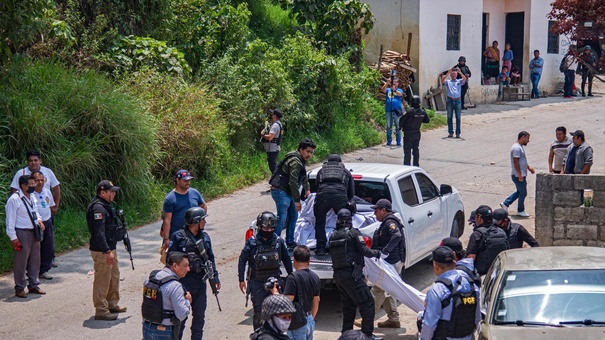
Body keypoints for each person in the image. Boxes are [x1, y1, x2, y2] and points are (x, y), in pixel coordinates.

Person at [330, 209, 383, 339]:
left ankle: (346, 334)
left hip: (338, 276)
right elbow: (364, 250)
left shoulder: (333, 235)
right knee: (368, 303)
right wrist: (378, 253)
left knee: (348, 306)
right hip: (352, 275)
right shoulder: (354, 233)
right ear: (349, 219)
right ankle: (367, 335)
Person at [167, 207, 219, 339]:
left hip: (200, 282)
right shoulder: (178, 237)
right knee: (180, 318)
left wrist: (215, 277)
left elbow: (210, 258)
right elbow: (170, 260)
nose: (205, 222)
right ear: (196, 222)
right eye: (203, 220)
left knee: (199, 317)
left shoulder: (205, 238)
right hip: (183, 283)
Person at [238, 211, 293, 330]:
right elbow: (242, 260)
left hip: (275, 282)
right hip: (257, 283)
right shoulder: (252, 242)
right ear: (259, 226)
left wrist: (292, 277)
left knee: (277, 312)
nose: (268, 231)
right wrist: (241, 280)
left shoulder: (278, 241)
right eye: (266, 228)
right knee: (259, 314)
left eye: (271, 228)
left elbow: (287, 259)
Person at [419, 246, 480, 340]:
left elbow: (429, 325)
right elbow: (476, 318)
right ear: (455, 263)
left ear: (436, 266)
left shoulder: (437, 290)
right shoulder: (472, 286)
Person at [86, 180, 126, 320]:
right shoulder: (98, 209)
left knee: (113, 276)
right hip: (103, 250)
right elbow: (99, 232)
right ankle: (101, 310)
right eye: (111, 191)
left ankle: (111, 304)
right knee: (102, 279)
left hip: (110, 248)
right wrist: (106, 251)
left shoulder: (105, 206)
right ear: (103, 192)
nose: (114, 194)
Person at [269, 138, 315, 249]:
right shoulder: (295, 161)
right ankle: (274, 244)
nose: (309, 155)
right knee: (282, 218)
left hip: (286, 191)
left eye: (311, 153)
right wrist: (297, 201)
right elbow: (293, 181)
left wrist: (307, 189)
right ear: (301, 149)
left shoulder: (300, 160)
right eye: (307, 151)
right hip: (280, 190)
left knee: (294, 216)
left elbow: (303, 176)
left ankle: (289, 241)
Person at [5, 175, 46, 298]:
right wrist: (13, 237)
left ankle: (34, 285)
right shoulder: (14, 199)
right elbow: (10, 221)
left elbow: (35, 211)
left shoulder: (32, 196)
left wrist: (39, 220)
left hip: (34, 231)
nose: (34, 186)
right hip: (21, 233)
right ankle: (19, 287)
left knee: (35, 260)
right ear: (23, 186)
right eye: (31, 184)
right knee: (21, 261)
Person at [369, 199, 405, 329]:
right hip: (391, 262)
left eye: (376, 210)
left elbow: (397, 235)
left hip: (391, 262)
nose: (374, 214)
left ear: (383, 210)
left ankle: (367, 318)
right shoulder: (387, 221)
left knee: (378, 289)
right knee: (387, 288)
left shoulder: (390, 222)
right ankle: (393, 318)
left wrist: (385, 251)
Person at [142, 251, 192, 340]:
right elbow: (182, 314)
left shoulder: (150, 279)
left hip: (147, 328)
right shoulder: (175, 286)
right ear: (175, 266)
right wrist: (187, 301)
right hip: (164, 332)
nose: (188, 269)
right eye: (185, 266)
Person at [313, 154, 354, 255]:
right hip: (340, 197)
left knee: (320, 223)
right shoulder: (346, 172)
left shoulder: (321, 171)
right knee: (343, 223)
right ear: (340, 162)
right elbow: (351, 193)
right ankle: (342, 247)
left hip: (322, 197)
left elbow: (317, 187)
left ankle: (321, 248)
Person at [283, 245, 321, 340]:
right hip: (309, 321)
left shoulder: (292, 278)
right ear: (309, 261)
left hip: (297, 324)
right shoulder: (315, 277)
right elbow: (316, 301)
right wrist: (311, 318)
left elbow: (287, 303)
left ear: (294, 260)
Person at [161, 169, 207, 247]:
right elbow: (167, 220)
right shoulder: (170, 199)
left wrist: (200, 220)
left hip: (194, 234)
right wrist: (166, 239)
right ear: (177, 181)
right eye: (185, 180)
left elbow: (203, 206)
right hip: (178, 237)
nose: (188, 182)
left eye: (189, 180)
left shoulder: (194, 193)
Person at [10, 149, 61, 215]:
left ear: (40, 161)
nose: (33, 162)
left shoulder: (48, 172)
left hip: (46, 210)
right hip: (28, 211)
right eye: (30, 160)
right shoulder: (21, 173)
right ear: (27, 162)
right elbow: (14, 190)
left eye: (35, 160)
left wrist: (55, 205)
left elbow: (56, 189)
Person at [465, 205, 509, 276]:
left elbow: (470, 259)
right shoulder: (501, 232)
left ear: (479, 218)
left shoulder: (477, 234)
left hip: (481, 275)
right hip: (498, 275)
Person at [500, 131, 535, 218]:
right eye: (527, 138)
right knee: (523, 193)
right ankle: (520, 210)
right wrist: (519, 174)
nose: (528, 141)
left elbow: (522, 160)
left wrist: (528, 168)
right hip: (518, 175)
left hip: (520, 174)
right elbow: (516, 162)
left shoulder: (519, 147)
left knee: (520, 192)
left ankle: (506, 203)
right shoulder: (516, 148)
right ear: (523, 137)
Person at [32, 171, 56, 280]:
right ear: (32, 181)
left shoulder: (47, 192)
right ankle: (33, 271)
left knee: (48, 246)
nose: (40, 182)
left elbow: (50, 205)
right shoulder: (30, 194)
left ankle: (44, 270)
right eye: (37, 180)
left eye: (42, 180)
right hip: (35, 224)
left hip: (47, 221)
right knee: (36, 248)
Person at [400, 95, 430, 167]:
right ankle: (416, 165)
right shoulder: (422, 111)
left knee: (407, 150)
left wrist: (399, 127)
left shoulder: (409, 111)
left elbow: (402, 120)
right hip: (417, 133)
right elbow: (427, 120)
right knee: (415, 149)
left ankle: (406, 166)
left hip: (408, 133)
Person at [441, 67, 467, 138]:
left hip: (458, 100)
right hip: (450, 100)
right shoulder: (448, 82)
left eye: (454, 74)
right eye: (452, 74)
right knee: (449, 117)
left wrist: (460, 72)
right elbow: (442, 81)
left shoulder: (459, 81)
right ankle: (450, 132)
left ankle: (458, 133)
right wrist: (447, 73)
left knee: (458, 117)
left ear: (456, 75)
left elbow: (465, 79)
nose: (453, 75)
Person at [381, 77, 404, 146]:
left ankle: (398, 140)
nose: (394, 83)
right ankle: (389, 140)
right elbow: (383, 90)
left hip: (397, 111)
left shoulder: (399, 90)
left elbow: (400, 94)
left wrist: (395, 90)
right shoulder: (388, 90)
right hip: (389, 110)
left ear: (398, 83)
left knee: (398, 126)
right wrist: (387, 83)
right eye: (393, 82)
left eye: (396, 82)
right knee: (389, 126)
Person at [261, 109, 284, 174]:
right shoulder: (277, 124)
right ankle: (278, 180)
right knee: (273, 166)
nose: (270, 115)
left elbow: (270, 137)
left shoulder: (275, 125)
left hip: (273, 149)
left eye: (272, 114)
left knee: (273, 167)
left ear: (275, 116)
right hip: (274, 148)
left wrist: (263, 135)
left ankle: (278, 181)